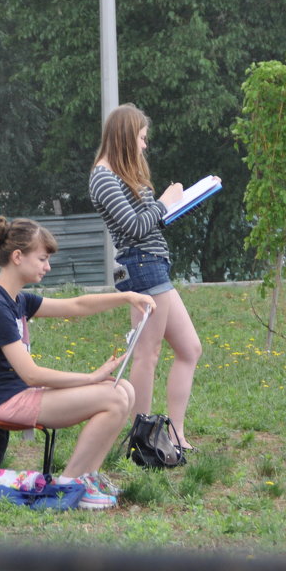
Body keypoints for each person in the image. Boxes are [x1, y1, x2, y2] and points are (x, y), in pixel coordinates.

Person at [0, 216, 148, 510]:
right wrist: (90, 378)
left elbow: (76, 306)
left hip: (17, 393)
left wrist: (125, 296)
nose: (47, 266)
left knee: (125, 389)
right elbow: (31, 374)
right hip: (0, 401)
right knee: (113, 397)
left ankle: (88, 477)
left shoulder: (15, 300)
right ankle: (69, 486)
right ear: (18, 257)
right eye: (43, 259)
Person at [89, 103, 201, 452]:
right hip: (142, 266)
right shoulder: (103, 177)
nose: (144, 145)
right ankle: (144, 438)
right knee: (147, 355)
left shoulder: (122, 175)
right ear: (125, 136)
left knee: (190, 348)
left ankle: (174, 433)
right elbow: (134, 227)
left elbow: (148, 222)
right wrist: (165, 202)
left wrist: (176, 205)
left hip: (153, 263)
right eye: (141, 138)